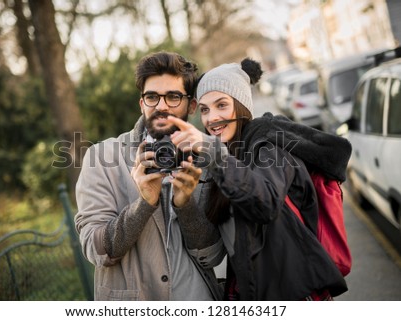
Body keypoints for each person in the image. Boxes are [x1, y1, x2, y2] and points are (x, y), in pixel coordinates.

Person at [165, 58, 349, 300]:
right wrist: (184, 200)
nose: (212, 119)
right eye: (205, 109)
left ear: (241, 106)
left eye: (222, 105)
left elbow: (266, 203)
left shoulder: (269, 147)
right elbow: (219, 249)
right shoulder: (228, 155)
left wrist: (215, 155)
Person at [74, 51, 224, 301]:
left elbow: (213, 254)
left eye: (174, 97)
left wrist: (185, 205)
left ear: (192, 105)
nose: (161, 106)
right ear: (142, 103)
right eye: (152, 97)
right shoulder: (101, 158)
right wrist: (144, 204)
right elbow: (96, 251)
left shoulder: (205, 159)